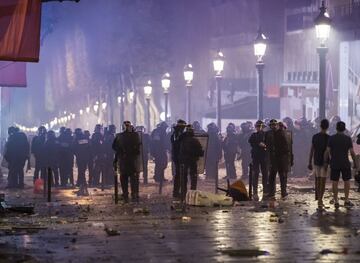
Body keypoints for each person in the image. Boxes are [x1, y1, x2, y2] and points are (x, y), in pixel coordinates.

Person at [324, 121, 357, 208]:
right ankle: (346, 200)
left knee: (335, 182)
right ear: (344, 128)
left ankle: (336, 201)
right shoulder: (348, 138)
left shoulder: (332, 138)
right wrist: (355, 163)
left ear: (336, 128)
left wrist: (325, 163)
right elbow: (352, 152)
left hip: (334, 162)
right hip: (345, 163)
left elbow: (327, 151)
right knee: (347, 181)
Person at [112, 121, 141, 202]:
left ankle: (125, 195)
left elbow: (114, 147)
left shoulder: (119, 136)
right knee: (133, 178)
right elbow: (138, 149)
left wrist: (119, 155)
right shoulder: (135, 135)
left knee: (124, 178)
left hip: (123, 160)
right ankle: (134, 194)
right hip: (132, 160)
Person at [265, 119, 292, 200]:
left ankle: (283, 192)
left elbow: (286, 146)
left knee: (282, 175)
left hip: (280, 158)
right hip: (273, 158)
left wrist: (284, 156)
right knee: (272, 176)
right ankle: (271, 193)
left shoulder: (281, 133)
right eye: (272, 125)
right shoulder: (268, 134)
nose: (273, 126)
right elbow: (267, 144)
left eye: (274, 124)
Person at [308, 119, 329, 210]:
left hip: (316, 161)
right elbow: (329, 152)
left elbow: (312, 150)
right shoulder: (329, 138)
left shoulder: (315, 136)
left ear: (320, 126)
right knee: (323, 181)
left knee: (317, 180)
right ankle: (320, 200)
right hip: (325, 162)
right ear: (327, 127)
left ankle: (319, 199)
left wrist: (309, 162)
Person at [179, 125, 204, 198]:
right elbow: (200, 152)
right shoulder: (195, 140)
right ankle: (193, 192)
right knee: (193, 177)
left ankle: (183, 193)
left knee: (184, 177)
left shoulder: (182, 140)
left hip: (184, 161)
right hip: (193, 161)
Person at [248, 120, 268, 201]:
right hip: (256, 157)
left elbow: (269, 143)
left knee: (265, 174)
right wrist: (258, 143)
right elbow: (250, 141)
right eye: (257, 126)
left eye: (260, 126)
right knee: (255, 174)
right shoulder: (254, 135)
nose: (258, 128)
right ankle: (255, 192)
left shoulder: (266, 135)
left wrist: (264, 144)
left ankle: (265, 191)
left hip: (264, 157)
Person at [170, 120, 187, 198]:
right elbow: (178, 144)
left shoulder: (175, 134)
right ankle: (179, 192)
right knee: (181, 175)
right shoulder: (178, 135)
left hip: (177, 157)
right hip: (179, 157)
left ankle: (176, 192)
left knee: (179, 175)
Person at [73, 128, 91, 195]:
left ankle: (82, 183)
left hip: (80, 157)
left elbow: (74, 148)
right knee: (82, 170)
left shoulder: (76, 139)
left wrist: (77, 154)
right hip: (86, 157)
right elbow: (89, 147)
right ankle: (81, 183)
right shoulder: (86, 138)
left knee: (81, 170)